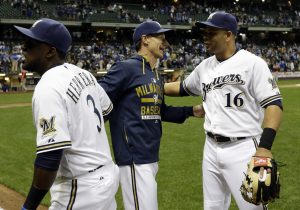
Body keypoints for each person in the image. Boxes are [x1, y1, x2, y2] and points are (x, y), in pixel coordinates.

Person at [164, 11, 283, 210]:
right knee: (212, 207)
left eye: (211, 33)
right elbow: (182, 87)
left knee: (252, 207)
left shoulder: (252, 63)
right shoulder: (204, 67)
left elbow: (274, 105)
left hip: (243, 147)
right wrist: (151, 86)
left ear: (228, 35)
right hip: (210, 147)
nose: (205, 37)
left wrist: (264, 147)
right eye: (205, 33)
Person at [14, 18, 119, 210]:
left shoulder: (48, 86)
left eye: (30, 43)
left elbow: (50, 156)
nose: (23, 47)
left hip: (81, 189)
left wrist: (28, 207)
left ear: (50, 51)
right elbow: (107, 110)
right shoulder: (83, 73)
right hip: (106, 176)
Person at [99, 20, 204, 210]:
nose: (165, 43)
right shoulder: (126, 68)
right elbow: (97, 99)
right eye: (161, 38)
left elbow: (160, 111)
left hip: (150, 154)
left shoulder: (154, 74)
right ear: (145, 39)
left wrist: (191, 111)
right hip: (133, 156)